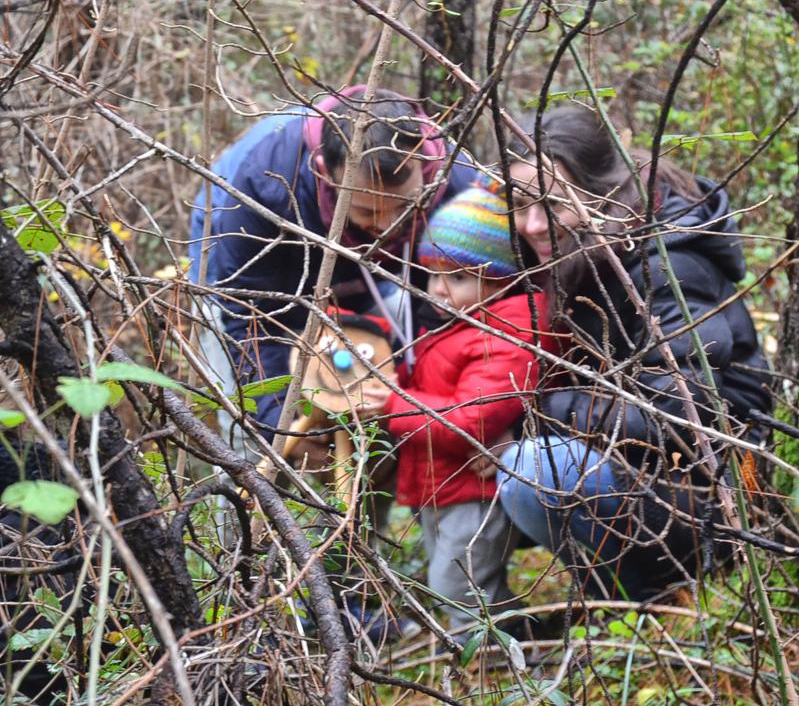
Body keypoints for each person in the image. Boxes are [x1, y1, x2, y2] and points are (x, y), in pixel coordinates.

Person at [495, 105, 772, 601]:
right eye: (520, 204)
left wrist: (539, 412)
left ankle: (639, 602)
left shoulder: (665, 266)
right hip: (646, 473)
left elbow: (687, 417)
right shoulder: (580, 253)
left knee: (532, 469)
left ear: (601, 192)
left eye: (553, 204)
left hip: (720, 498)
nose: (533, 225)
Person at [187, 86, 481, 457]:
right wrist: (279, 420)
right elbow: (249, 318)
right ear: (326, 173)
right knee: (251, 427)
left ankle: (359, 512)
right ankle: (251, 507)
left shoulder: (456, 184)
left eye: (406, 207)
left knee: (371, 415)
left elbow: (459, 316)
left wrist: (465, 416)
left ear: (423, 168)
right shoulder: (263, 185)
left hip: (370, 275)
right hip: (252, 272)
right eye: (367, 211)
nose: (389, 226)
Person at [360, 186, 558, 635]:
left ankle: (491, 661)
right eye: (433, 276)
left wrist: (395, 403)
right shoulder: (462, 327)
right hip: (440, 483)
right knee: (461, 580)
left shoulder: (506, 337)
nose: (440, 290)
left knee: (457, 585)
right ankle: (523, 639)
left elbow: (471, 420)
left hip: (475, 489)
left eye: (460, 278)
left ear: (501, 280)